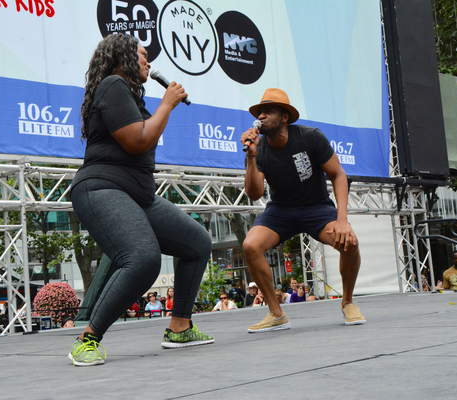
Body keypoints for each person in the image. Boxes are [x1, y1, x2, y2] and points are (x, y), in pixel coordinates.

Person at [67, 34, 214, 367]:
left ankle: (180, 326)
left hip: (138, 195)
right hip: (101, 189)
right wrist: (168, 103)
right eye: (143, 55)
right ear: (123, 57)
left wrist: (160, 106)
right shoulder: (113, 84)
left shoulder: (129, 96)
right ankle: (87, 338)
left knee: (198, 242)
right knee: (143, 257)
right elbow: (138, 141)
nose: (148, 61)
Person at [241, 88, 365, 333]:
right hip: (281, 210)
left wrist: (342, 220)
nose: (262, 116)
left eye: (269, 111)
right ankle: (276, 314)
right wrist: (251, 158)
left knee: (349, 241)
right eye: (260, 113)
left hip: (316, 207)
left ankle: (348, 301)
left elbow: (338, 175)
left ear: (285, 117)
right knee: (250, 246)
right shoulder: (259, 148)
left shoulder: (310, 137)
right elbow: (254, 194)